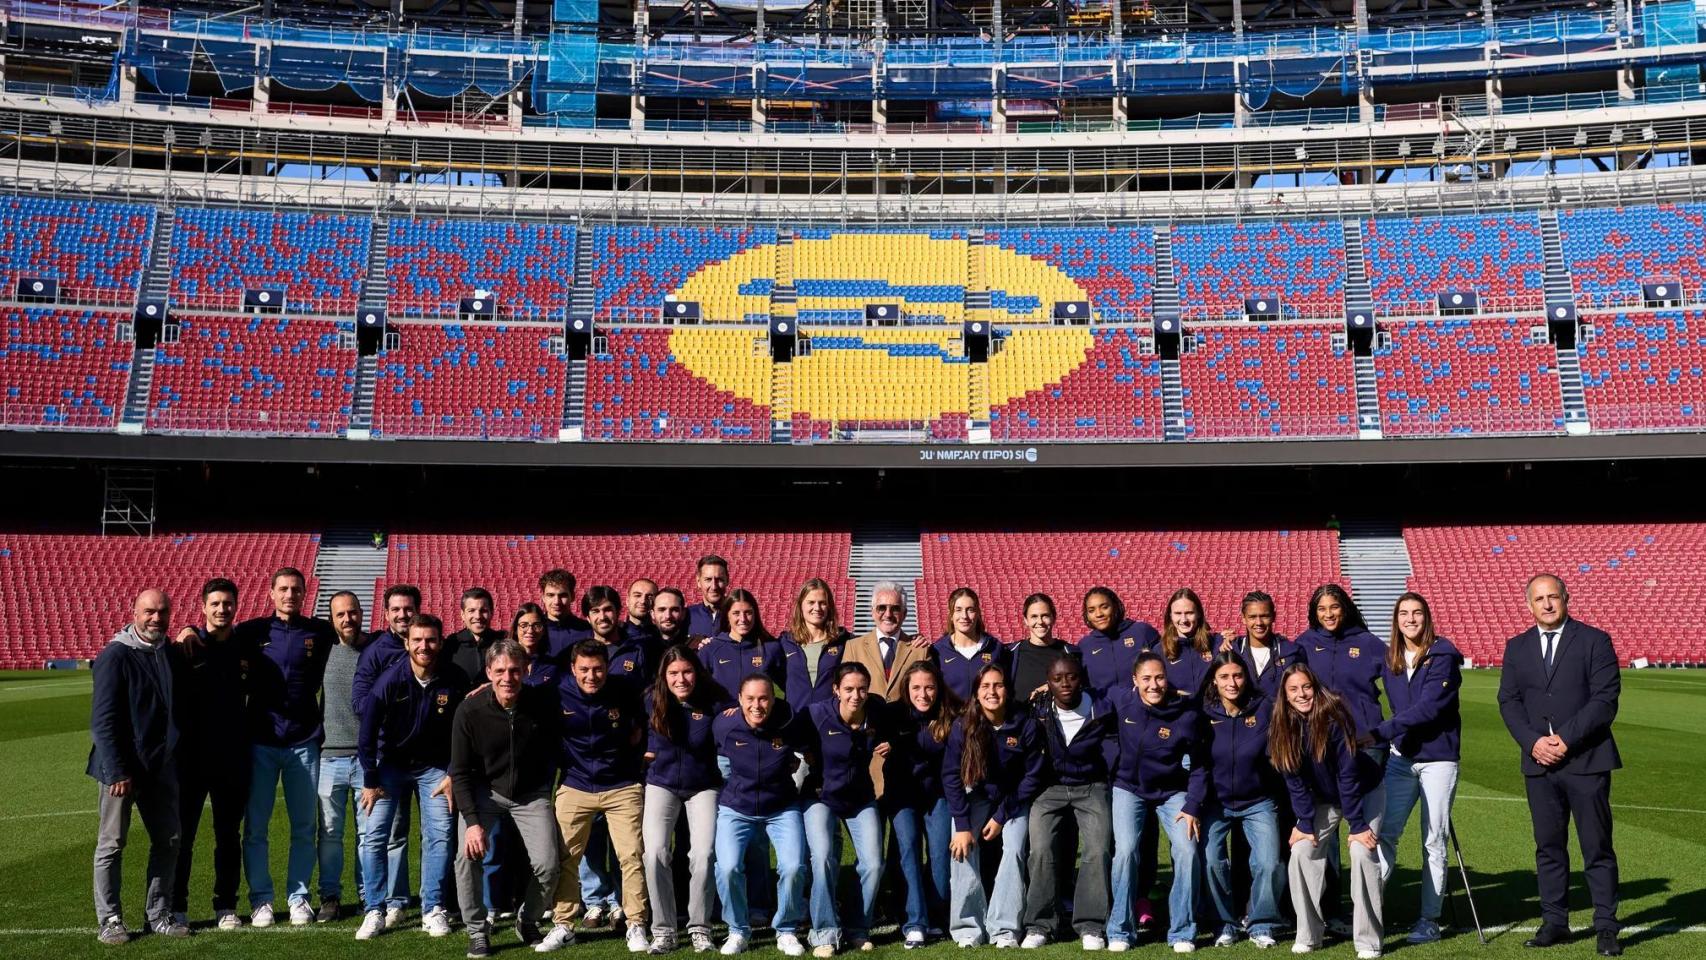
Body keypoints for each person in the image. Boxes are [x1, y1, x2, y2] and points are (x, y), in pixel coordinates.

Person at [1497, 575, 1622, 957]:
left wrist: (1565, 739)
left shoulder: (1594, 640)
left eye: (1553, 597)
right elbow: (1509, 701)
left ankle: (1606, 926)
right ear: (1529, 605)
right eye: (1540, 599)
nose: (1547, 604)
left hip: (1586, 760)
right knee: (1548, 847)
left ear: (1566, 598)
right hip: (1539, 764)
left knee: (1596, 847)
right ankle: (1555, 922)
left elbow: (1605, 700)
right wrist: (1533, 742)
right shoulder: (1517, 647)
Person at [355, 613, 470, 940]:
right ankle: (375, 910)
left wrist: (452, 772)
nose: (424, 646)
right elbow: (367, 732)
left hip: (435, 769)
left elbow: (465, 731)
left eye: (431, 640)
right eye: (417, 640)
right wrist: (370, 779)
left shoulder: (455, 678)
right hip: (390, 767)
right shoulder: (389, 680)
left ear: (441, 643)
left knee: (440, 835)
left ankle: (433, 908)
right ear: (406, 643)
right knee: (375, 835)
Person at [450, 638, 564, 958]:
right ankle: (477, 931)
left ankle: (527, 920)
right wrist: (472, 823)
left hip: (531, 795)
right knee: (466, 857)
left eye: (514, 670)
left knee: (548, 865)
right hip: (485, 793)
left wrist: (545, 785)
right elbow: (460, 772)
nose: (507, 678)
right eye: (499, 671)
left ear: (526, 671)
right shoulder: (469, 710)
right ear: (488, 672)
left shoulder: (542, 702)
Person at [538, 640, 650, 954]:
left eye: (598, 669)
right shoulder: (556, 692)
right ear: (573, 669)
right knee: (566, 857)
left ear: (607, 667)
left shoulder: (624, 690)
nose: (592, 676)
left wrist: (633, 763)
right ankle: (564, 925)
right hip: (575, 784)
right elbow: (519, 693)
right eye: (584, 670)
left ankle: (636, 924)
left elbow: (641, 726)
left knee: (632, 856)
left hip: (621, 786)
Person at [238, 567, 335, 928]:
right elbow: (214, 636)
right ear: (271, 593)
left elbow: (358, 639)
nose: (290, 594)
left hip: (303, 741)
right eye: (283, 589)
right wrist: (189, 629)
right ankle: (261, 900)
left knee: (304, 826)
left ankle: (298, 898)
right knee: (256, 827)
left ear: (305, 593)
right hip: (260, 740)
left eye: (296, 589)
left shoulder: (319, 632)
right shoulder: (252, 631)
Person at [90, 588, 187, 944]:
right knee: (112, 843)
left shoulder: (168, 652)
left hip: (159, 766)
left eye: (163, 612)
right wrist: (117, 769)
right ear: (134, 613)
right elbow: (103, 721)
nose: (156, 618)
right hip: (122, 771)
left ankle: (158, 915)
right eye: (149, 611)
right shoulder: (115, 655)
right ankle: (110, 919)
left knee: (169, 840)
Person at [1271, 664, 1385, 959]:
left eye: (1306, 687)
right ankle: (1309, 934)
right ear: (1285, 694)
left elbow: (1348, 775)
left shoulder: (1334, 716)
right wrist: (1305, 823)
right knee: (1301, 851)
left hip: (1363, 790)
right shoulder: (1282, 724)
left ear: (1315, 687)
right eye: (1293, 689)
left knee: (1362, 852)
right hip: (1325, 799)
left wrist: (1357, 825)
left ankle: (1369, 941)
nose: (1301, 694)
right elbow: (1293, 780)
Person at [1373, 593, 1463, 946]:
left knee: (1433, 840)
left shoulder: (1443, 656)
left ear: (1427, 617)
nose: (1410, 619)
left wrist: (1380, 731)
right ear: (1396, 620)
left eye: (1417, 613)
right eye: (1404, 614)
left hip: (1438, 759)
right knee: (1384, 833)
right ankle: (1370, 909)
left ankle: (1429, 919)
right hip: (1401, 758)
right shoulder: (1390, 657)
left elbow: (1428, 708)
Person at [1108, 653, 1206, 954]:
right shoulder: (1121, 700)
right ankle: (1121, 929)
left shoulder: (1185, 713)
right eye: (1147, 679)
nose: (1154, 685)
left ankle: (1182, 931)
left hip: (1172, 791)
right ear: (1135, 681)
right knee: (1126, 851)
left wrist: (1192, 805)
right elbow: (1088, 695)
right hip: (1129, 789)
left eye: (1159, 677)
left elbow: (1200, 764)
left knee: (1188, 850)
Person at [943, 664, 1045, 948]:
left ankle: (1004, 929)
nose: (992, 691)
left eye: (998, 685)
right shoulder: (963, 726)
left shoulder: (1025, 724)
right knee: (961, 847)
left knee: (1014, 849)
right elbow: (951, 776)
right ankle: (968, 928)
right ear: (976, 692)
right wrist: (962, 825)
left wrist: (1001, 816)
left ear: (1007, 690)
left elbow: (1032, 777)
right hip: (976, 797)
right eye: (985, 686)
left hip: (1013, 800)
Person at [170, 578, 252, 931]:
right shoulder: (186, 647)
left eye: (227, 603)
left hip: (231, 759)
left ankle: (226, 905)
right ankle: (175, 906)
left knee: (228, 837)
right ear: (203, 606)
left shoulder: (246, 647)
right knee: (182, 837)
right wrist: (186, 630)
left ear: (236, 606)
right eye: (215, 603)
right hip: (189, 760)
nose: (222, 609)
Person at [1022, 655, 1116, 950]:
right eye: (1057, 678)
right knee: (1040, 850)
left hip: (1091, 787)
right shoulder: (1038, 710)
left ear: (1082, 678)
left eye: (1071, 677)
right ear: (1047, 683)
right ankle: (1039, 925)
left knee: (1098, 850)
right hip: (1049, 789)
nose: (1065, 683)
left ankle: (1091, 925)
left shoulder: (1102, 708)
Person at [711, 674, 809, 956]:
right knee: (727, 868)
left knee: (793, 867)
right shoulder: (725, 725)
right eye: (750, 699)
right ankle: (737, 929)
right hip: (736, 808)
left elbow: (806, 751)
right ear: (739, 700)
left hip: (781, 807)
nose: (757, 705)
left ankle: (786, 929)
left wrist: (796, 762)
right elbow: (717, 757)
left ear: (773, 699)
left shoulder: (789, 721)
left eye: (764, 698)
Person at [799, 663, 893, 956]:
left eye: (862, 689)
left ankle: (857, 928)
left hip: (860, 797)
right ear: (836, 690)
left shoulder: (877, 710)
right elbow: (783, 732)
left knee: (873, 864)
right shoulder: (816, 714)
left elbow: (899, 729)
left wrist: (890, 743)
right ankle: (824, 932)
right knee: (823, 857)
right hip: (820, 796)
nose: (856, 695)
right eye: (849, 689)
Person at [643, 646, 730, 955]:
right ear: (664, 676)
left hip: (703, 786)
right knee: (655, 853)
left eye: (687, 671)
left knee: (703, 855)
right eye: (673, 673)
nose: (681, 679)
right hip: (661, 784)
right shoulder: (651, 698)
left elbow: (738, 723)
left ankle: (700, 928)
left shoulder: (716, 700)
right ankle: (664, 930)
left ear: (697, 672)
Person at [351, 583, 423, 928]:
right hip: (388, 756)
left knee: (434, 832)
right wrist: (396, 709)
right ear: (386, 613)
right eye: (396, 609)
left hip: (427, 757)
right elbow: (360, 702)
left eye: (408, 609)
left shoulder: (430, 644)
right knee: (388, 832)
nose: (403, 615)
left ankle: (433, 900)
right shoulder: (376, 652)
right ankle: (390, 901)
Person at [1200, 651, 1281, 950]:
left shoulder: (1264, 707)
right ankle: (1224, 924)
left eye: (1237, 675)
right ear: (1214, 680)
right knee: (1212, 861)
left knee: (1268, 862)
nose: (1231, 683)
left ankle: (1261, 923)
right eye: (1224, 677)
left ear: (1246, 677)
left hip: (1258, 801)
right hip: (1216, 802)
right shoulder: (1202, 711)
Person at [888, 662, 958, 948]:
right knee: (909, 850)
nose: (923, 694)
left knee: (941, 853)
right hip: (903, 795)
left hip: (939, 794)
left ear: (938, 687)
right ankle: (915, 921)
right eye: (916, 687)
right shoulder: (893, 714)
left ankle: (937, 915)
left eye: (929, 687)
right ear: (906, 689)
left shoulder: (951, 714)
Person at [315, 590, 370, 924]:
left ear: (361, 613)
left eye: (352, 612)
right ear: (331, 619)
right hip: (328, 757)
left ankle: (368, 895)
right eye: (340, 614)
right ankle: (330, 896)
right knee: (330, 833)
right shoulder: (322, 649)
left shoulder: (376, 648)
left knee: (368, 834)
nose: (347, 619)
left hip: (366, 760)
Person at [700, 589, 789, 704]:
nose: (743, 619)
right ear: (727, 616)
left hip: (758, 715)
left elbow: (792, 688)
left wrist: (777, 709)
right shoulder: (710, 649)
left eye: (748, 612)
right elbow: (697, 691)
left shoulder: (770, 648)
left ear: (755, 614)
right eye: (736, 613)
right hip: (723, 715)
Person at [781, 578, 854, 709]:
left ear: (829, 606)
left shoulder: (844, 641)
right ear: (801, 605)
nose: (817, 608)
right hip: (795, 717)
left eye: (822, 603)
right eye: (811, 602)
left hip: (831, 716)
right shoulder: (785, 642)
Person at [1077, 587, 1159, 698]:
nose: (1098, 614)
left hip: (1142, 706)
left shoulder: (1142, 632)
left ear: (1116, 606)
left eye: (1104, 607)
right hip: (1103, 708)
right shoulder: (1084, 646)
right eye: (1091, 610)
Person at [931, 588, 1007, 703]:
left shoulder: (995, 648)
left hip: (987, 715)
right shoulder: (937, 651)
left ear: (978, 613)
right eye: (958, 610)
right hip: (951, 715)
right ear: (951, 615)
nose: (964, 616)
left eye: (970, 610)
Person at [1230, 592, 1306, 703]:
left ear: (1273, 616)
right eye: (1252, 617)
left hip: (1279, 714)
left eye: (1264, 616)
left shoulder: (1292, 652)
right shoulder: (1232, 650)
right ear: (1243, 618)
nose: (1259, 622)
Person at [1156, 588, 1222, 701]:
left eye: (1189, 613)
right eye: (1178, 613)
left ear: (1199, 614)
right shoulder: (1159, 651)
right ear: (1170, 615)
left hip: (1211, 711)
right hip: (1178, 711)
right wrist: (1174, 694)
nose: (1184, 619)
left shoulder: (1217, 643)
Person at [1008, 593, 1074, 702]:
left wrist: (1053, 687)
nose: (1040, 622)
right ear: (1026, 620)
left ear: (1054, 618)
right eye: (1034, 616)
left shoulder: (1070, 653)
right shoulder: (1010, 654)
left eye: (1045, 616)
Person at [585, 585, 651, 682]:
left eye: (608, 610)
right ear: (588, 618)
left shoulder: (637, 649)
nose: (602, 617)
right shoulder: (579, 650)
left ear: (618, 612)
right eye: (595, 611)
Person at [446, 587, 502, 681]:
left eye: (483, 611)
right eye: (471, 611)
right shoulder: (450, 645)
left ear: (491, 613)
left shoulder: (502, 642)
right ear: (462, 615)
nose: (478, 616)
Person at [540, 569, 592, 656]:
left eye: (563, 595)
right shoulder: (533, 631)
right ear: (543, 598)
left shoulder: (587, 630)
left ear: (573, 596)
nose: (556, 602)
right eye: (551, 595)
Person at [512, 603, 560, 687]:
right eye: (524, 625)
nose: (530, 630)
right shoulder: (506, 661)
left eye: (536, 625)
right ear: (516, 630)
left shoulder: (553, 666)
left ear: (543, 630)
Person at [690, 555, 732, 638]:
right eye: (708, 579)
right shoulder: (687, 616)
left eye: (719, 579)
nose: (714, 587)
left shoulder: (739, 616)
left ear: (727, 580)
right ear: (698, 582)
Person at [625, 578, 661, 657]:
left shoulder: (663, 637)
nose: (643, 601)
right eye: (637, 595)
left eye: (649, 597)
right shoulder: (615, 635)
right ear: (627, 600)